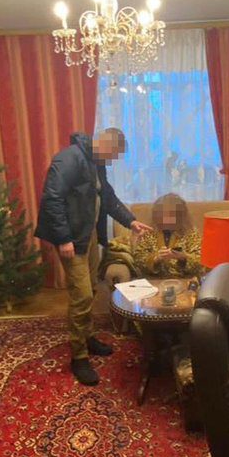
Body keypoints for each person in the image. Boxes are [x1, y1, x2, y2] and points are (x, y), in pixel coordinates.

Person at [35, 128, 152, 385]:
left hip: (88, 234)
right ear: (104, 144)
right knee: (82, 296)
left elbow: (107, 198)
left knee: (91, 288)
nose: (112, 160)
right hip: (72, 238)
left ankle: (87, 337)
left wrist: (131, 221)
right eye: (113, 154)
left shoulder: (96, 162)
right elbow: (52, 198)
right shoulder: (69, 158)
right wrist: (63, 238)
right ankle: (79, 357)